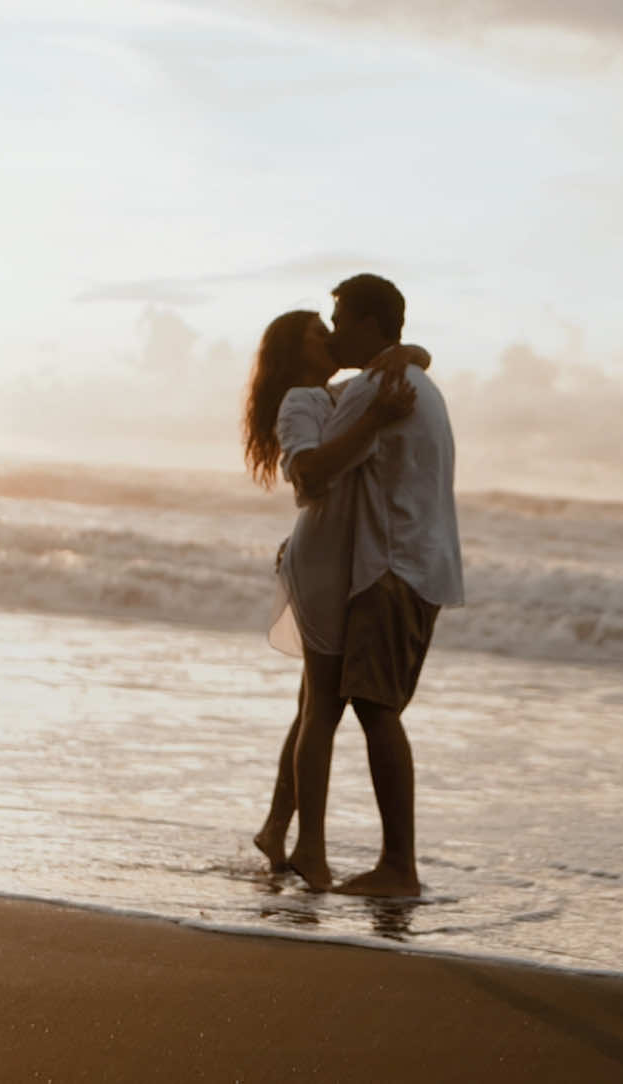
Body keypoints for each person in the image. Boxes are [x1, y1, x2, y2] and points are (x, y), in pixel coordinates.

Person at [287, 274, 465, 898]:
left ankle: (399, 866)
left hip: (391, 567)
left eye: (340, 319)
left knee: (376, 709)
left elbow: (313, 476)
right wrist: (415, 351)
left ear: (370, 323)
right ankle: (394, 863)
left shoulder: (377, 388)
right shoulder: (416, 379)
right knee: (374, 707)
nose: (334, 332)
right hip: (420, 563)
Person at [243, 309, 429, 880]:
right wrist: (375, 418)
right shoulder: (301, 400)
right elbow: (308, 475)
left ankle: (278, 827)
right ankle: (311, 852)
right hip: (324, 564)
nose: (331, 337)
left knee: (312, 707)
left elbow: (412, 358)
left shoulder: (337, 393)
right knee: (323, 706)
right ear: (297, 355)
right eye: (318, 335)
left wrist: (408, 354)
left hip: (336, 558)